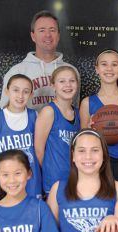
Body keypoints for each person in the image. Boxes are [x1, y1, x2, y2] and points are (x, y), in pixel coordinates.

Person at [46, 128, 118, 232]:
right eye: (81, 151)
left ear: (104, 154)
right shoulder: (58, 189)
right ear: (73, 156)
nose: (88, 157)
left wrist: (114, 220)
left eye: (95, 150)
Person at [79, 48, 118, 187]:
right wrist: (89, 130)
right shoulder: (87, 103)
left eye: (114, 64)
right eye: (104, 64)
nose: (109, 68)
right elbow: (82, 141)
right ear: (96, 69)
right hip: (99, 164)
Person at [0, 10, 79, 112]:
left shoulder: (71, 71)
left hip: (61, 127)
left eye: (52, 30)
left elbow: (74, 108)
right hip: (29, 127)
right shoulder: (17, 71)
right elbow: (6, 112)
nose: (48, 35)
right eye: (42, 30)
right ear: (33, 36)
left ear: (58, 35)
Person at [0, 74, 42, 200]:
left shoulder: (35, 117)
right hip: (8, 185)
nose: (20, 95)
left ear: (31, 94)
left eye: (25, 91)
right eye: (16, 90)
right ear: (7, 91)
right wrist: (5, 175)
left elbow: (41, 150)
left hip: (32, 182)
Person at [35, 66, 80, 195]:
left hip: (75, 180)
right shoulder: (49, 112)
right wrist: (51, 172)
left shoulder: (78, 113)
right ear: (53, 85)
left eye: (72, 81)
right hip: (54, 182)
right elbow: (38, 151)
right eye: (62, 81)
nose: (68, 85)